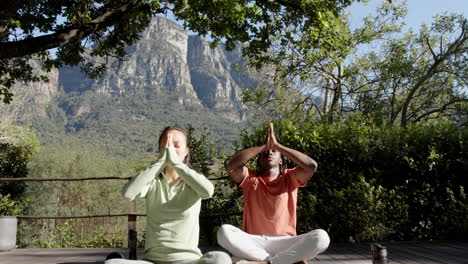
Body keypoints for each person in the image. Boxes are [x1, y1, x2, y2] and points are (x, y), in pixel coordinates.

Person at [106, 126, 231, 264]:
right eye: (165, 146)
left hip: (189, 261)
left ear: (186, 151)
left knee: (221, 259)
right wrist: (161, 162)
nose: (170, 150)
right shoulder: (153, 182)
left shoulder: (192, 182)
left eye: (176, 146)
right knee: (111, 263)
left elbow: (208, 192)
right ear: (160, 151)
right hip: (153, 261)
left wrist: (176, 163)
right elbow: (129, 193)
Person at [217, 123, 330, 264]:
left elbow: (311, 166)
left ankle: (266, 262)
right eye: (265, 153)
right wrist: (264, 146)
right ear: (259, 158)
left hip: (287, 243)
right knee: (223, 232)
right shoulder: (251, 179)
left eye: (274, 152)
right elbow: (230, 165)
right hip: (254, 242)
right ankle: (280, 261)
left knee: (322, 237)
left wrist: (277, 146)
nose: (269, 153)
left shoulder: (290, 178)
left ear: (281, 159)